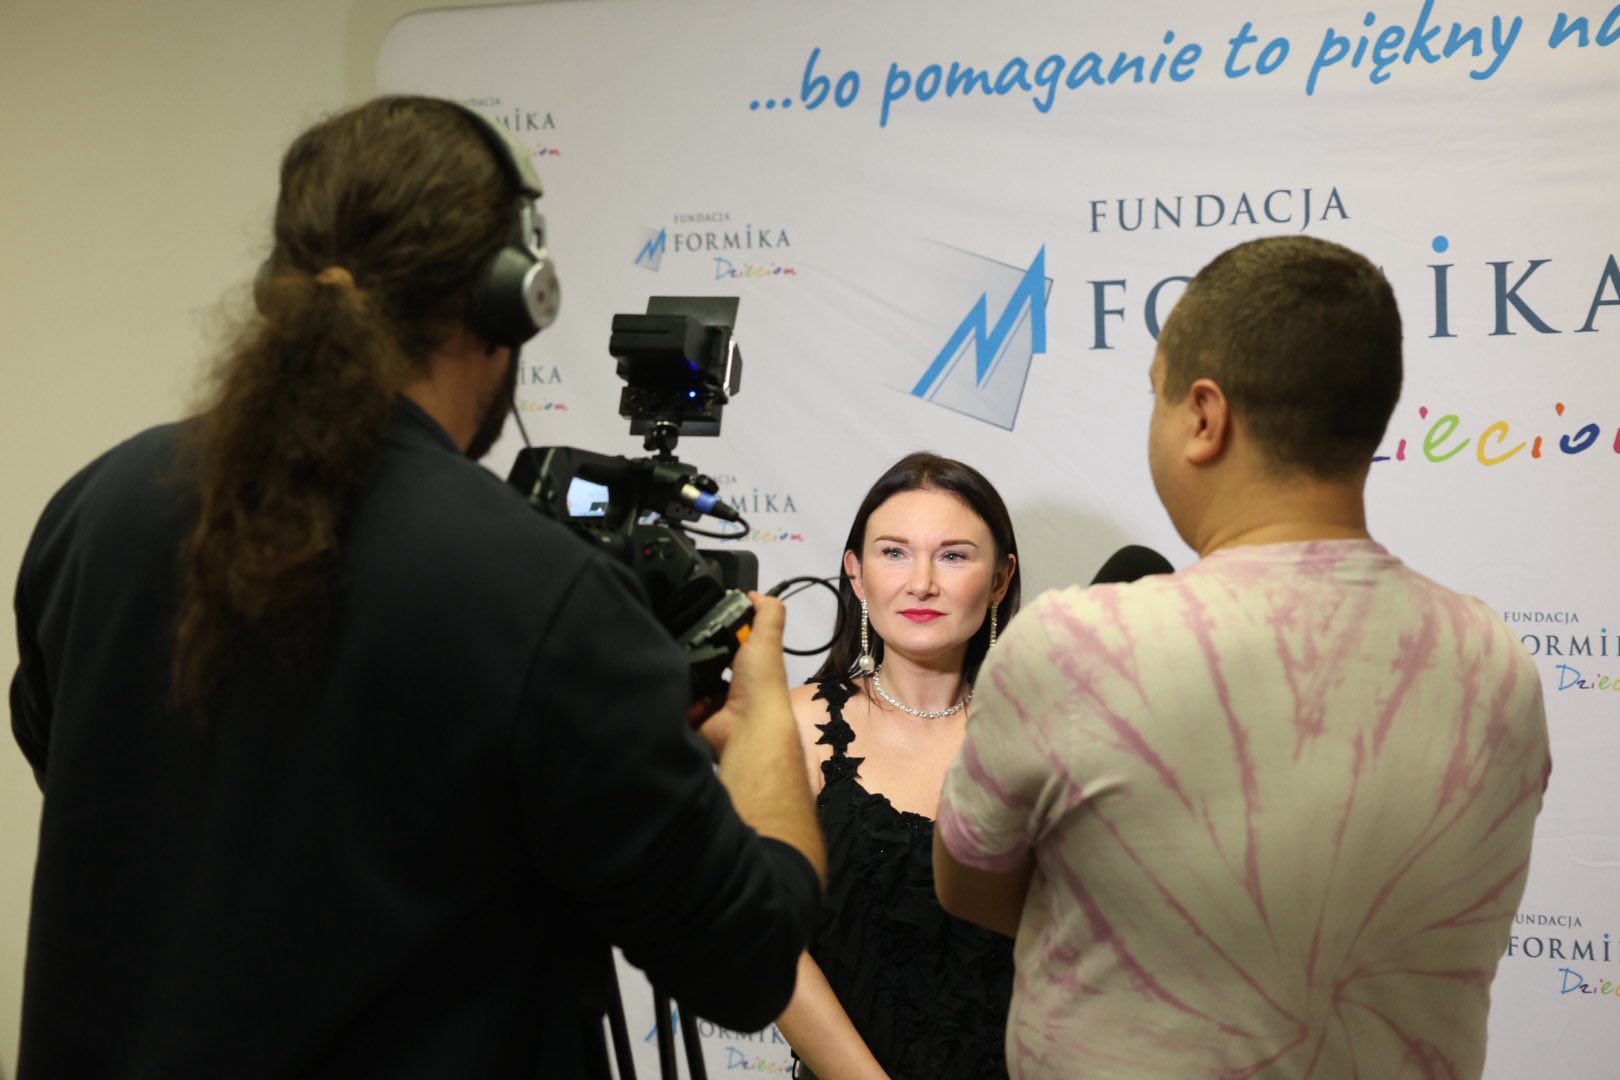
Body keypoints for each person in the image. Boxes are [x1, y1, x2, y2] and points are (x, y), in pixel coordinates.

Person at [9, 96, 823, 1079]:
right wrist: (766, 731)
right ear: (510, 300)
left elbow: (84, 760)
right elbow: (748, 960)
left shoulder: (94, 509)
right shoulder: (540, 593)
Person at [933, 235, 1551, 1079]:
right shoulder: (1498, 664)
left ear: (1203, 417)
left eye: (1155, 393)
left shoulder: (1075, 645)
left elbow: (968, 885)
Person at [776, 452, 1020, 1079]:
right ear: (856, 574)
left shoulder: (1045, 734)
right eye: (894, 553)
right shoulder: (795, 725)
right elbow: (771, 946)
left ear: (999, 579)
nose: (922, 583)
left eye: (954, 556)